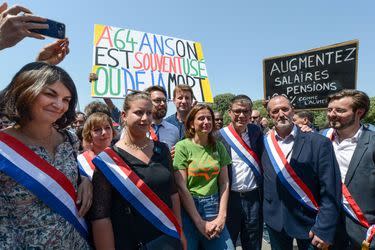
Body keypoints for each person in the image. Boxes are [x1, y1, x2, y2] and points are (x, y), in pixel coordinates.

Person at [0, 62, 91, 249]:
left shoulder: (70, 139)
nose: (59, 105)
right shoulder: (3, 147)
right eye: (50, 94)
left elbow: (73, 171)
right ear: (27, 90)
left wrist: (85, 180)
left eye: (66, 99)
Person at [89, 92, 184, 250]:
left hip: (167, 241)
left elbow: (173, 193)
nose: (145, 118)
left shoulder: (163, 150)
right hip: (129, 243)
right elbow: (101, 217)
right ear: (124, 116)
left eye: (149, 113)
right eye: (139, 112)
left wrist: (180, 233)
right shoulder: (109, 159)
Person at [262, 95, 341, 250]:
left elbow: (331, 188)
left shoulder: (318, 142)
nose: (281, 114)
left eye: (285, 109)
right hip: (276, 221)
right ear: (270, 115)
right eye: (275, 111)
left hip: (310, 222)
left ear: (293, 110)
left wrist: (325, 228)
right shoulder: (263, 142)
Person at [174, 104, 235, 250]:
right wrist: (198, 221)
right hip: (189, 209)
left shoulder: (219, 147)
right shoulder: (182, 147)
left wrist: (222, 216)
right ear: (191, 124)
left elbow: (224, 182)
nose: (206, 122)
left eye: (209, 118)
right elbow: (182, 187)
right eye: (201, 118)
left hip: (213, 207)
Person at [322, 89, 375, 250]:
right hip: (329, 229)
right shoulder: (321, 139)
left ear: (359, 112)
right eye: (330, 109)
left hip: (365, 231)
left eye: (340, 110)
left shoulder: (372, 143)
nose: (332, 114)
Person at [217, 95, 263, 250]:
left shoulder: (257, 132)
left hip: (253, 198)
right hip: (230, 199)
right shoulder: (219, 136)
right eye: (237, 111)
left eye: (245, 111)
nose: (241, 115)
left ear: (250, 114)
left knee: (253, 242)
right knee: (228, 243)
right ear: (229, 113)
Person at [78, 112, 115, 180]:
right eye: (97, 129)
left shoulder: (122, 157)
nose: (104, 132)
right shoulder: (80, 161)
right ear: (89, 134)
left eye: (107, 128)